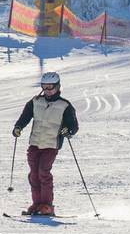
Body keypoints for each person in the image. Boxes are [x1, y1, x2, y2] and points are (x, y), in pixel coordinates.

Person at [11, 71, 80, 216]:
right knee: (33, 175)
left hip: (51, 145)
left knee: (43, 173)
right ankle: (36, 205)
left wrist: (69, 131)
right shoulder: (36, 101)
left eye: (51, 87)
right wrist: (18, 127)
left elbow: (73, 126)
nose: (48, 90)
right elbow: (25, 117)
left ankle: (47, 206)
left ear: (58, 86)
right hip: (35, 143)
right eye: (45, 87)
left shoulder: (65, 105)